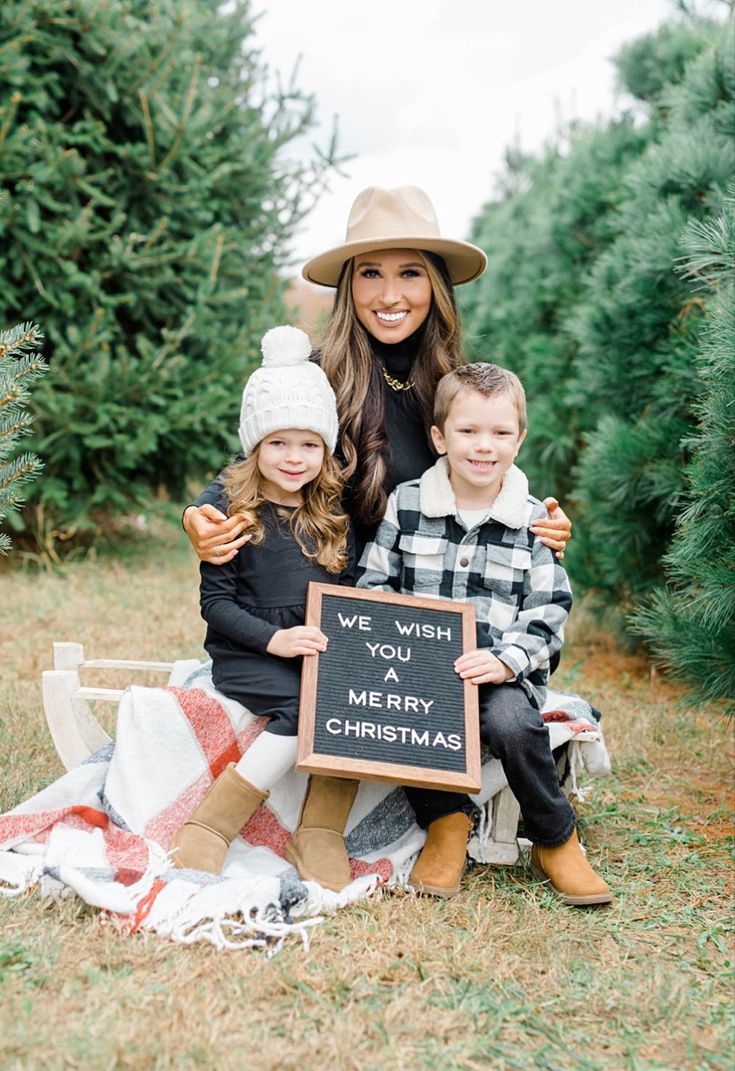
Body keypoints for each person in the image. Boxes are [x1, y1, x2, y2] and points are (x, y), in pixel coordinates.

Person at [182, 185, 574, 891]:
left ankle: (436, 818)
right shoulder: (322, 376)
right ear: (348, 286)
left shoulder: (454, 384)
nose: (389, 292)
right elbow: (259, 459)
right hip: (334, 588)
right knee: (334, 681)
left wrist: (538, 520)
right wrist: (199, 514)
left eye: (409, 272)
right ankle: (260, 823)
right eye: (370, 272)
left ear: (436, 284)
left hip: (425, 602)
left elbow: (492, 463)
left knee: (417, 677)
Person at [357, 363, 612, 906]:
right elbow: (375, 583)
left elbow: (549, 607)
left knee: (514, 724)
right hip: (422, 667)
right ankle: (447, 820)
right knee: (413, 716)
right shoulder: (405, 506)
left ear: (520, 438)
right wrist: (408, 643)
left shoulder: (531, 520)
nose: (483, 446)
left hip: (501, 672)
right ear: (439, 437)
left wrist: (504, 660)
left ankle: (554, 836)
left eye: (500, 433)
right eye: (468, 431)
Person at [171, 325, 361, 891]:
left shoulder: (334, 515)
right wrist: (274, 640)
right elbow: (216, 605)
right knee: (303, 708)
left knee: (347, 702)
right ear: (254, 447)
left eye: (308, 444)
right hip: (250, 651)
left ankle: (321, 829)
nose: (294, 458)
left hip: (315, 647)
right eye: (278, 443)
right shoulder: (235, 514)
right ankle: (210, 825)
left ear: (325, 449)